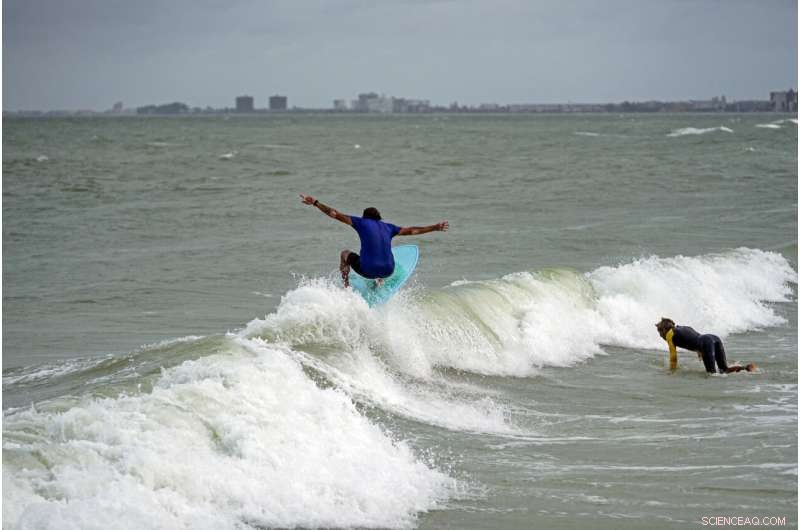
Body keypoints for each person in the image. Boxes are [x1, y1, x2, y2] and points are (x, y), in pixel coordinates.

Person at [300, 194, 448, 287]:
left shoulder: (360, 222)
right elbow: (413, 230)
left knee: (345, 254)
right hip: (388, 270)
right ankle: (380, 280)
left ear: (365, 217)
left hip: (367, 270)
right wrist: (434, 227)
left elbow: (333, 213)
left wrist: (316, 203)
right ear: (379, 218)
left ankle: (346, 287)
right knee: (386, 251)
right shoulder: (389, 227)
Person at [655, 318, 756, 374]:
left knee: (712, 375)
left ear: (663, 330)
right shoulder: (683, 328)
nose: (660, 336)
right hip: (713, 338)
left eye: (659, 333)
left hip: (706, 343)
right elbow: (696, 338)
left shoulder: (669, 335)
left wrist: (672, 372)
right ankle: (747, 368)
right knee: (724, 370)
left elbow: (673, 357)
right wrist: (700, 351)